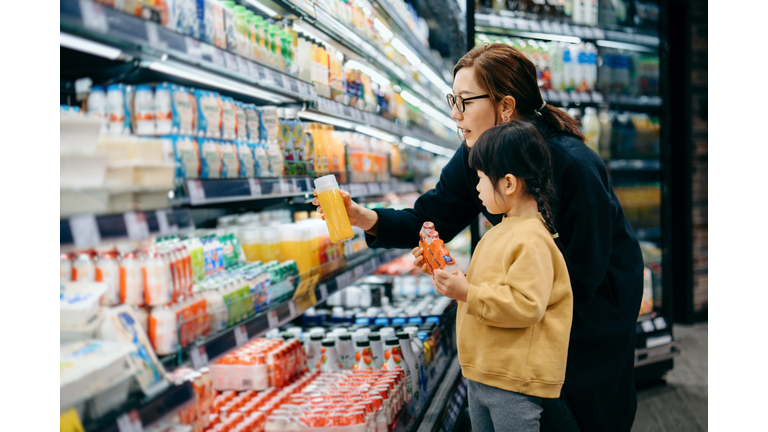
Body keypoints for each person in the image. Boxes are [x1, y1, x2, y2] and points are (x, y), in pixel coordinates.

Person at [313, 43, 644, 432]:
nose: (455, 115)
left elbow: (583, 275)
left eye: (465, 101)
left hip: (594, 308)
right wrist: (362, 217)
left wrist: (481, 291)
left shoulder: (572, 164)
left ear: (505, 106)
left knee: (583, 408)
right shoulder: (478, 153)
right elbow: (429, 216)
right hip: (528, 301)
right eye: (453, 100)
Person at [431, 120, 572, 432]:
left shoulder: (532, 239)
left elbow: (525, 305)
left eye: (481, 178)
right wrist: (455, 277)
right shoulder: (503, 231)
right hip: (484, 372)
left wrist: (467, 292)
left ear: (508, 183)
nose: (477, 187)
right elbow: (491, 287)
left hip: (512, 380)